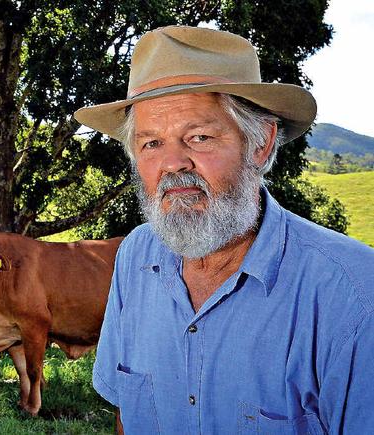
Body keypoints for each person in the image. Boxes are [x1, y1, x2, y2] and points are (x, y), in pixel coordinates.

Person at [74, 25, 374, 434]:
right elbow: (126, 416)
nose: (172, 164)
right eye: (151, 143)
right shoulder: (135, 257)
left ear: (261, 143)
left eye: (198, 137)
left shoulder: (354, 296)